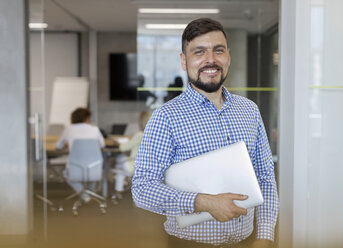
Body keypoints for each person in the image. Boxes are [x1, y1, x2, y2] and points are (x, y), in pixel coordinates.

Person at [132, 18, 279, 248]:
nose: (210, 60)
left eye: (218, 50)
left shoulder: (249, 110)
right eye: (199, 52)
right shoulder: (166, 117)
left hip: (249, 241)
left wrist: (265, 236)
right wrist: (202, 202)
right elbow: (142, 189)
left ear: (228, 56)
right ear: (184, 60)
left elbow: (265, 177)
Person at [56, 107, 105, 202]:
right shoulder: (95, 129)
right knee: (94, 172)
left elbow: (58, 146)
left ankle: (83, 194)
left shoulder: (68, 129)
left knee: (65, 173)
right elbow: (102, 146)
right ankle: (90, 192)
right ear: (87, 118)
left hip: (74, 168)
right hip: (94, 169)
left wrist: (68, 144)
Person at [113, 111, 151, 193]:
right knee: (120, 170)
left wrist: (118, 143)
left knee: (119, 158)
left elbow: (123, 148)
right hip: (147, 166)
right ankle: (120, 187)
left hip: (134, 166)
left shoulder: (139, 135)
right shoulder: (152, 134)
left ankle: (119, 187)